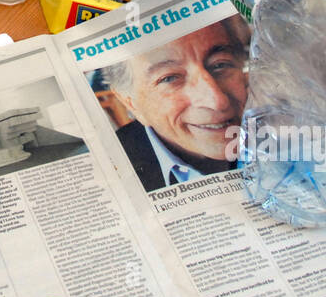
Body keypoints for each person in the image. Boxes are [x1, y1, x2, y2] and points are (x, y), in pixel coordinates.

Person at [96, 16, 251, 191]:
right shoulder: (108, 165)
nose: (217, 101)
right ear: (131, 103)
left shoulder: (280, 124)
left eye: (220, 64)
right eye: (169, 78)